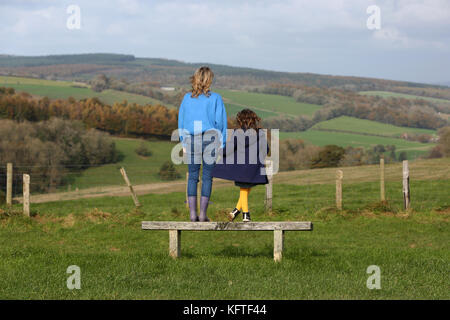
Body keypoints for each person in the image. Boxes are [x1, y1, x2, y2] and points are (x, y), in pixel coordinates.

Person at [178, 66, 227, 222]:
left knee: (192, 177)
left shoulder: (187, 98)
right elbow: (221, 123)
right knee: (207, 178)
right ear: (209, 80)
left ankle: (193, 214)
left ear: (196, 79)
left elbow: (181, 121)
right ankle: (203, 214)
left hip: (191, 140)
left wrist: (183, 142)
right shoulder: (216, 98)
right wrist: (222, 143)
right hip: (211, 140)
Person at [212, 109, 269, 222]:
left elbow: (228, 149)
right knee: (246, 187)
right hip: (254, 168)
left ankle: (246, 214)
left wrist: (218, 151)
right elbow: (266, 149)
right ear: (253, 119)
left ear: (240, 120)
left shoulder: (238, 133)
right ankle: (236, 211)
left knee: (244, 188)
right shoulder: (261, 133)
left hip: (241, 168)